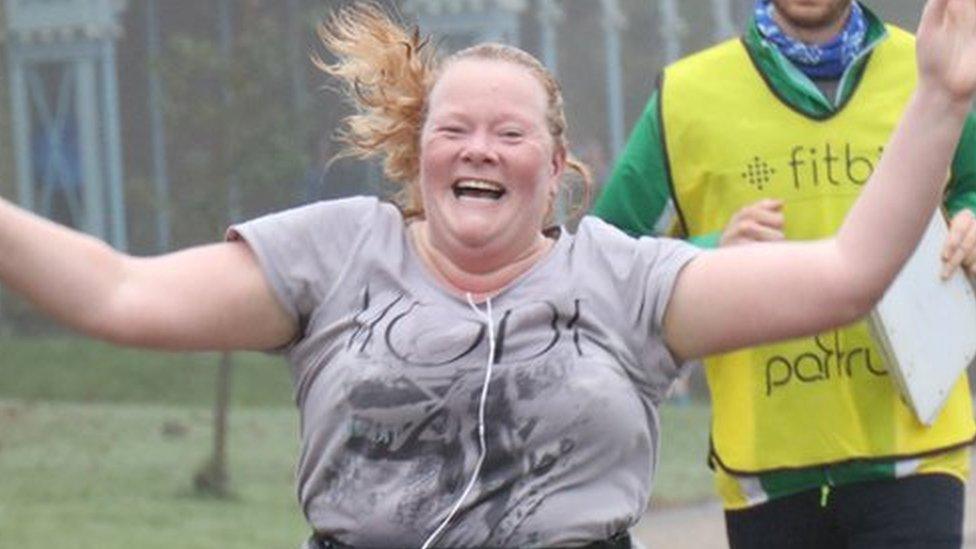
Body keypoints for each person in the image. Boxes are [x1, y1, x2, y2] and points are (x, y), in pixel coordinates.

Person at [1, 1, 974, 547]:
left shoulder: (622, 279)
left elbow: (850, 272)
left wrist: (933, 97)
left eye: (510, 133)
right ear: (416, 155)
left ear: (556, 169)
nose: (480, 149)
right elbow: (115, 291)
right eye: (454, 130)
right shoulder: (337, 254)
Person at [594, 0, 976, 547]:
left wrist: (970, 219)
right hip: (767, 470)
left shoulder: (930, 67)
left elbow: (971, 185)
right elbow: (605, 257)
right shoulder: (686, 94)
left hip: (917, 451)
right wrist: (709, 250)